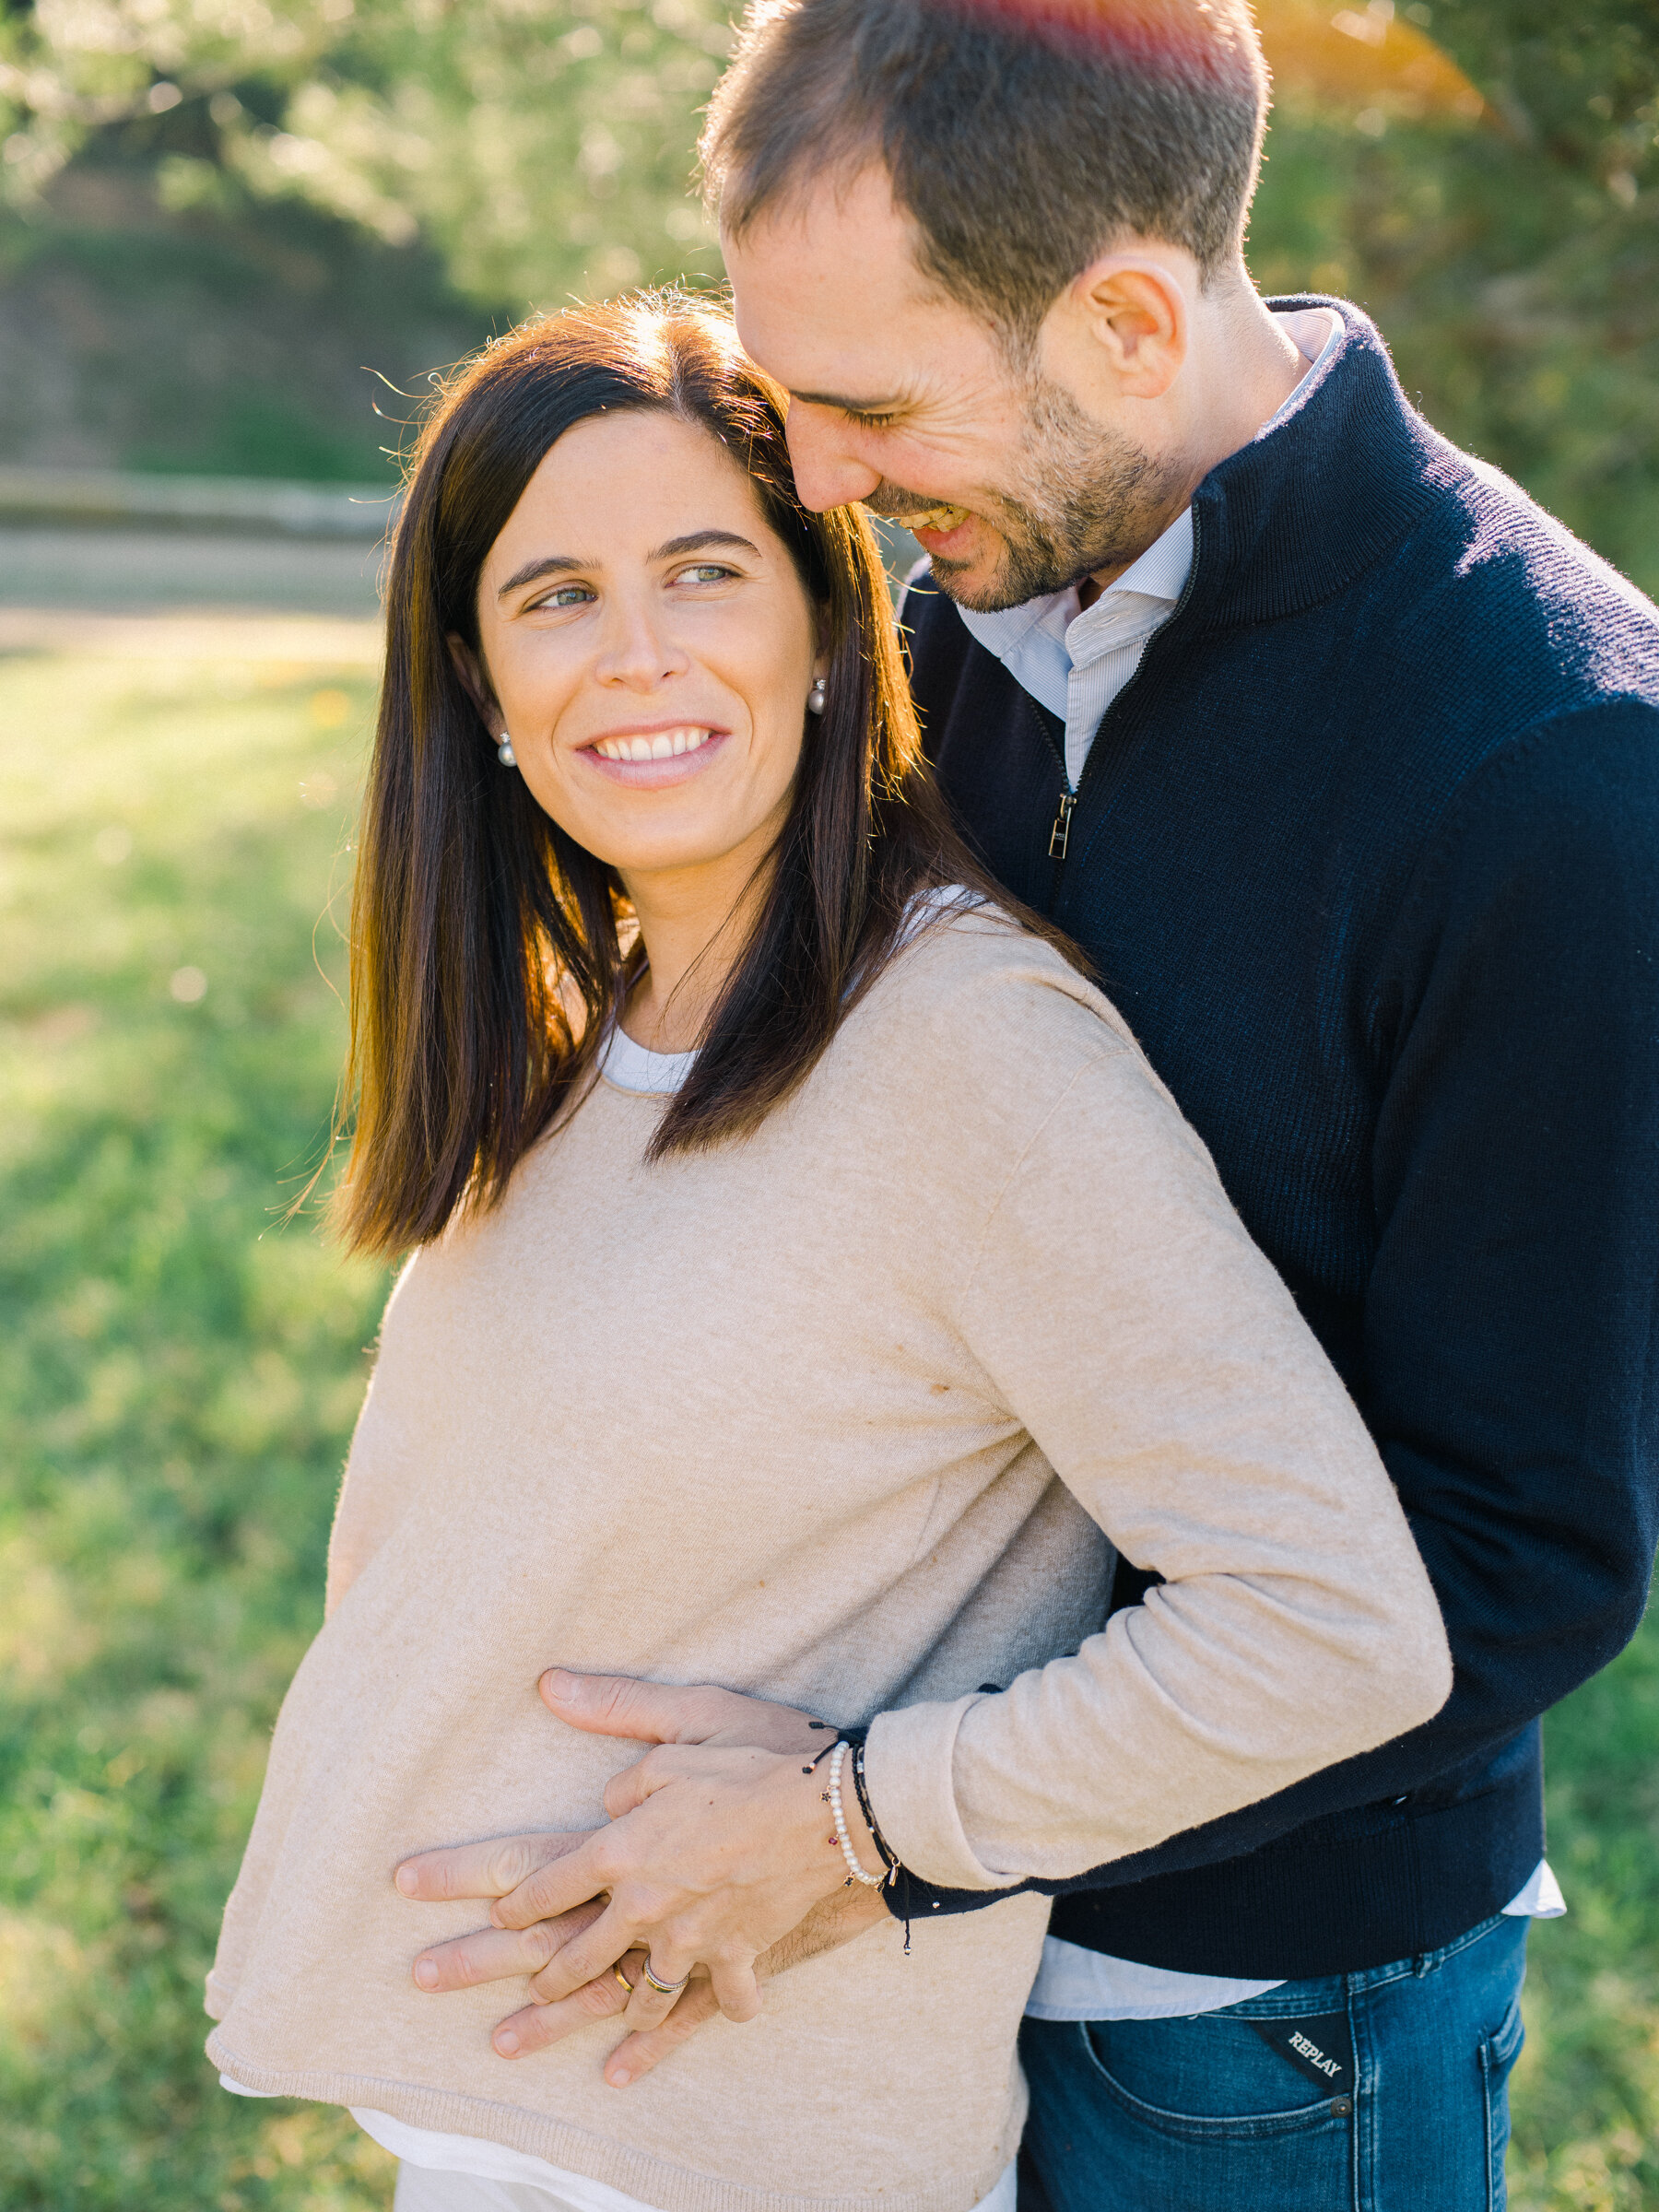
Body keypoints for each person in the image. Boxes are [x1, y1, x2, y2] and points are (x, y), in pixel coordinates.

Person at [394, 4, 1659, 2206]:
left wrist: (871, 1825)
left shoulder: (1549, 774)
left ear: (1131, 316)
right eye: (798, 410)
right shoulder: (963, 593)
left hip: (1251, 2017)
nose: (821, 490)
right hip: (840, 1972)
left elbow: (1516, 1569)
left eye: (872, 410)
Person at [204, 294, 1453, 2212]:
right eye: (555, 596)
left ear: (819, 628)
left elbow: (1329, 1623)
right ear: (472, 678)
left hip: (735, 2140)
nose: (637, 656)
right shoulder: (579, 1023)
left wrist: (854, 1824)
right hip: (510, 2121)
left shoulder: (967, 1053)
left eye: (704, 572)